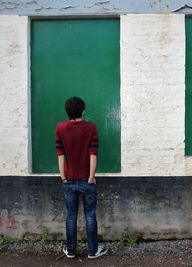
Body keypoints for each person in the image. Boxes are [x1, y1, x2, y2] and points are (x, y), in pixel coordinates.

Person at [55, 96, 107, 259]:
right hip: (87, 179)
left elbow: (60, 153)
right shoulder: (91, 128)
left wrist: (62, 175)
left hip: (68, 180)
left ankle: (71, 251)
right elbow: (93, 154)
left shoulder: (60, 127)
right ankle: (92, 251)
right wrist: (91, 176)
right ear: (82, 111)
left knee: (71, 215)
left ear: (67, 111)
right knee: (90, 214)